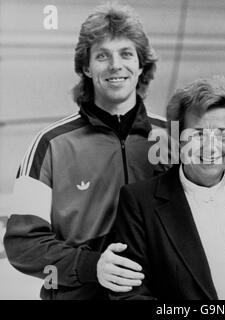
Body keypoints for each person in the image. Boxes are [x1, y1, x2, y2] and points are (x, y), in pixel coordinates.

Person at [4, 3, 170, 300]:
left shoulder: (172, 138)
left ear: (142, 64)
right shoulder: (50, 145)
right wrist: (92, 266)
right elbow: (23, 244)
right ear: (85, 67)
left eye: (126, 54)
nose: (115, 65)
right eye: (102, 55)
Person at [109, 75, 225, 300]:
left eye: (222, 133)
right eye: (198, 134)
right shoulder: (139, 202)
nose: (210, 146)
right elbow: (128, 295)